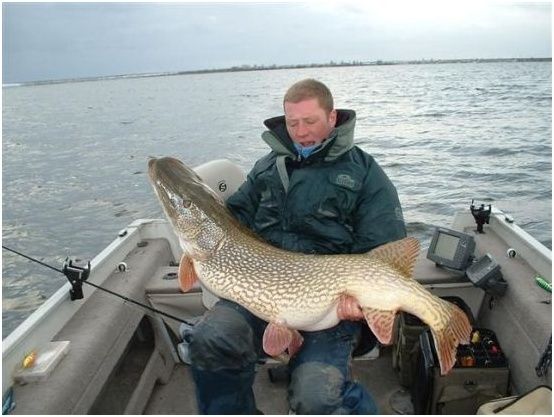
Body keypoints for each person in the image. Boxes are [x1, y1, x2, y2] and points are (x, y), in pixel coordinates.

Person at [188, 78, 407, 414]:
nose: (301, 132)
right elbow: (233, 220)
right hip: (261, 291)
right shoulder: (266, 168)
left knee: (317, 393)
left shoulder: (366, 175)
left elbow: (383, 251)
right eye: (293, 123)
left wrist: (359, 302)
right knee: (210, 339)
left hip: (331, 306)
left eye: (310, 121)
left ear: (332, 118)